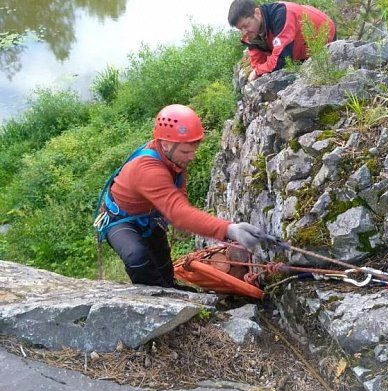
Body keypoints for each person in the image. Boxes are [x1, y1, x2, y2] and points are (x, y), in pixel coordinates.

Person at [94, 104, 262, 287]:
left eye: (193, 150)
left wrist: (180, 212)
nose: (191, 157)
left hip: (149, 215)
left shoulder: (173, 158)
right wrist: (230, 229)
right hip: (120, 220)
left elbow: (177, 193)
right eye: (186, 152)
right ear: (165, 144)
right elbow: (178, 212)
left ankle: (170, 288)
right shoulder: (148, 169)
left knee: (162, 259)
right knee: (137, 257)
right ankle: (156, 299)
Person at [228, 0, 336, 81]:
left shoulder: (281, 15)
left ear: (257, 13)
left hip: (325, 35)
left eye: (245, 25)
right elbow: (257, 63)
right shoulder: (251, 34)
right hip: (300, 51)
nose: (244, 32)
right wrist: (258, 71)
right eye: (240, 29)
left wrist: (257, 72)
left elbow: (282, 60)